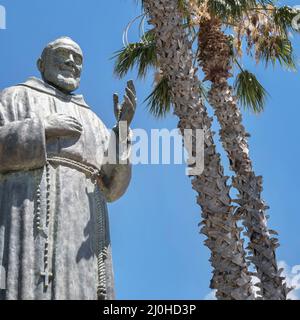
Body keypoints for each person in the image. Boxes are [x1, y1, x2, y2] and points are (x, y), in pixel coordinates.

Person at [0, 36, 136, 300]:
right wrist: (42, 128)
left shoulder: (94, 120)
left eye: (78, 59)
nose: (71, 61)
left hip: (84, 235)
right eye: (63, 54)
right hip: (27, 220)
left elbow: (113, 189)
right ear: (41, 64)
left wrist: (121, 131)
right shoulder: (14, 98)